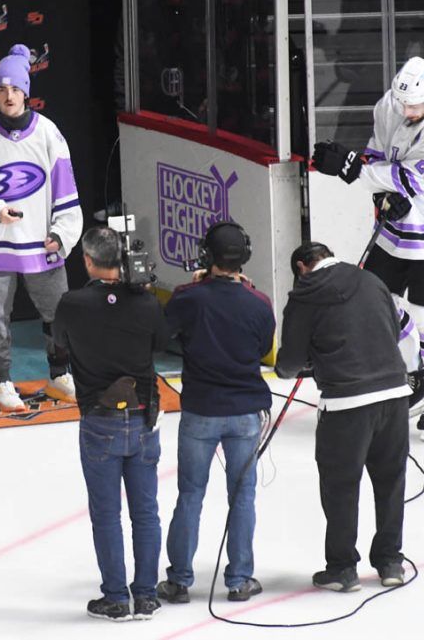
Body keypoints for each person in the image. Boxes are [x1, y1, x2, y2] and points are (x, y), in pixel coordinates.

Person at [312, 56, 424, 441]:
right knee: (378, 306)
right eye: (402, 103)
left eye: (415, 106)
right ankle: (415, 375)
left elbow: (406, 178)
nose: (406, 111)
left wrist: (351, 169)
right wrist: (376, 187)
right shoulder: (390, 105)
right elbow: (379, 153)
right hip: (394, 229)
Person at [276, 241, 410, 592]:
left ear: (301, 267)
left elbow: (289, 364)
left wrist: (310, 360)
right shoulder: (371, 280)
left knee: (341, 486)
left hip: (346, 403)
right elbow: (395, 331)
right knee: (391, 481)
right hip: (395, 394)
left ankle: (342, 568)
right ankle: (390, 562)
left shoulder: (306, 293)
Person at [0, 43, 82, 411]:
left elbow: (65, 189)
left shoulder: (48, 134)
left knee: (58, 313)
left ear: (26, 91)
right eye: (1, 89)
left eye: (15, 88)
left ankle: (59, 375)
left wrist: (61, 234)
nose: (8, 96)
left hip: (41, 244)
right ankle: (2, 381)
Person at [52, 226, 169, 622]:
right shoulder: (146, 303)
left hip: (100, 420)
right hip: (143, 417)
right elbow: (161, 343)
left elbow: (59, 342)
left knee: (106, 515)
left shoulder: (72, 304)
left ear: (88, 261)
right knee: (146, 512)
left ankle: (117, 598)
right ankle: (146, 595)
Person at [158, 221, 274, 605]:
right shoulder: (259, 302)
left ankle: (179, 580)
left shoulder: (188, 297)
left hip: (201, 410)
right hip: (245, 412)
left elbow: (162, 334)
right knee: (242, 496)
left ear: (207, 256)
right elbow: (262, 348)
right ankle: (239, 580)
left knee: (190, 494)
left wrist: (196, 288)